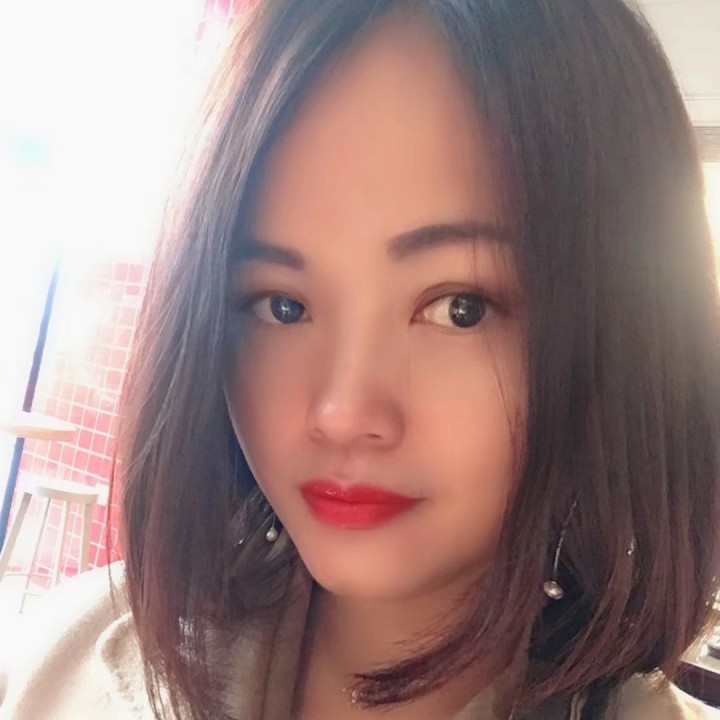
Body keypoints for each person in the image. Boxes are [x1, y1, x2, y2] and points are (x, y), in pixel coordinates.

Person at [1, 0, 720, 718]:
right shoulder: (60, 671)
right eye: (283, 305)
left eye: (459, 307)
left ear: (623, 332)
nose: (342, 412)